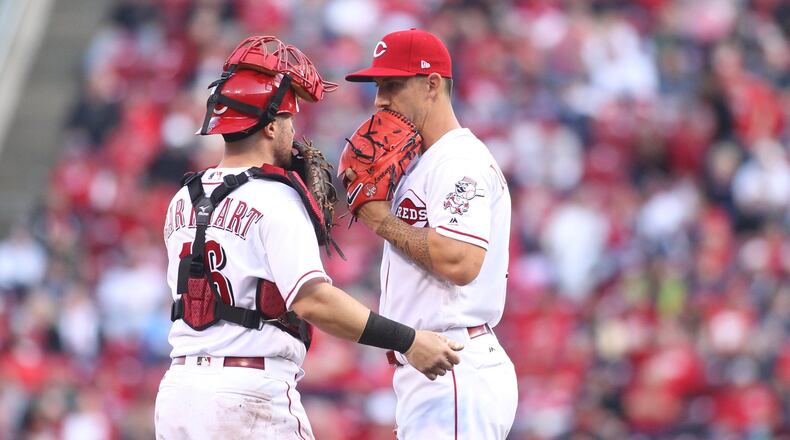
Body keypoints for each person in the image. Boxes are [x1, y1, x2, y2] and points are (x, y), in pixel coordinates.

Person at [154, 36, 463, 439]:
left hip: (177, 394)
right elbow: (313, 299)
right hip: (248, 395)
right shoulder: (275, 197)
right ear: (269, 125)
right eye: (288, 121)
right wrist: (409, 340)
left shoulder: (183, 198)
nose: (293, 132)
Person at [343, 29, 518, 439]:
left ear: (432, 84)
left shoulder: (459, 161)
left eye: (392, 85)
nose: (379, 99)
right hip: (433, 365)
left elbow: (460, 260)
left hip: (455, 362)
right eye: (378, 86)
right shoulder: (424, 161)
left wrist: (380, 220)